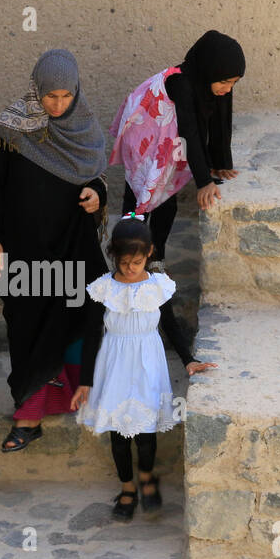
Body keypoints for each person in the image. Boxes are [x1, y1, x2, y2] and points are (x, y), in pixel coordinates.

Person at [0, 48, 110, 453]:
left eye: (65, 96)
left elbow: (97, 176)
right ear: (36, 91)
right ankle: (30, 415)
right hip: (23, 247)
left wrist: (97, 194)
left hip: (72, 242)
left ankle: (73, 395)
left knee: (77, 313)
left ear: (76, 92)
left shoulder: (85, 127)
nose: (58, 104)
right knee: (27, 323)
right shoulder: (9, 130)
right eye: (50, 96)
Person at [71, 216, 217, 520]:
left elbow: (171, 326)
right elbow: (90, 337)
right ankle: (127, 488)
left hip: (149, 363)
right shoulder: (103, 290)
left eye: (136, 262)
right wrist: (85, 382)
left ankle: (147, 479)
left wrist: (188, 359)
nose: (129, 268)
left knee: (146, 431)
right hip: (113, 365)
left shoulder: (157, 287)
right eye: (124, 262)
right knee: (118, 433)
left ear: (149, 253)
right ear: (114, 255)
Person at [114, 30, 245, 268]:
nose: (228, 89)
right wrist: (204, 180)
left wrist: (220, 163)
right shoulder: (182, 83)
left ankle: (155, 258)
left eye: (234, 82)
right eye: (225, 82)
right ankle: (126, 259)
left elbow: (217, 121)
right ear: (209, 70)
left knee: (166, 202)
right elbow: (190, 131)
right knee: (138, 201)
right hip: (145, 145)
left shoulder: (209, 83)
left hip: (166, 143)